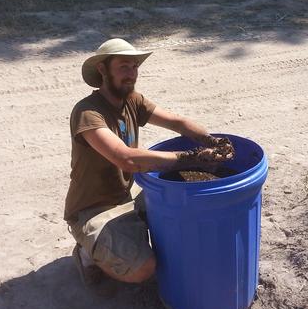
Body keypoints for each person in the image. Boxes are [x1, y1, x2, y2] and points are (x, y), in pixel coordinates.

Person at [64, 38, 234, 288]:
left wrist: (211, 140)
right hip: (93, 209)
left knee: (189, 206)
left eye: (134, 67)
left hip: (127, 196)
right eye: (123, 66)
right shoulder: (88, 113)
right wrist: (191, 157)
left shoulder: (133, 100)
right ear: (102, 69)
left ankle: (126, 235)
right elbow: (127, 159)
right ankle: (87, 253)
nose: (131, 74)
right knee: (143, 269)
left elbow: (178, 123)